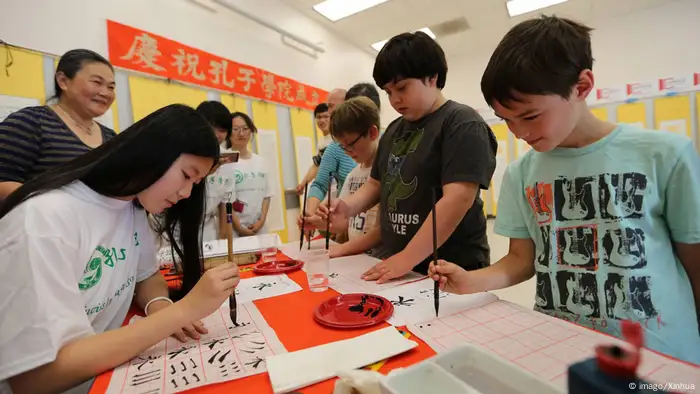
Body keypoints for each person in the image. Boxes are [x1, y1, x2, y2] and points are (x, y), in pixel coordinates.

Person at [430, 15, 700, 365]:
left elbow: (694, 262)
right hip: (561, 344)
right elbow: (520, 260)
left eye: (529, 116)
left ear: (582, 86)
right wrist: (471, 281)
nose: (518, 132)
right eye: (507, 120)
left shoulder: (665, 155)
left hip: (658, 352)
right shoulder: (521, 173)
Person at [0, 104, 240, 394]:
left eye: (197, 182)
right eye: (187, 175)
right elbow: (37, 379)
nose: (187, 193)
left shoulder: (131, 207)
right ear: (153, 152)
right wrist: (182, 312)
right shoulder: (44, 220)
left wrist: (159, 305)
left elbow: (147, 275)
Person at [320, 31, 498, 284]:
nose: (395, 100)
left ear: (433, 77)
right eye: (388, 91)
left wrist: (406, 257)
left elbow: (457, 199)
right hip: (401, 264)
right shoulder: (394, 130)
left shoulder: (461, 123)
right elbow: (376, 185)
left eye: (402, 88)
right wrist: (347, 207)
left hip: (451, 265)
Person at [0, 49, 117, 201]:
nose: (105, 93)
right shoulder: (30, 122)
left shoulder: (112, 137)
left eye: (111, 87)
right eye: (97, 82)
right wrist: (62, 206)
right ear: (63, 81)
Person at [300, 96, 382, 258]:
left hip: (378, 259)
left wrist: (343, 249)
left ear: (372, 133)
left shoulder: (384, 174)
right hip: (357, 259)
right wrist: (315, 221)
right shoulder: (353, 175)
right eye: (342, 147)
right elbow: (345, 223)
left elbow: (383, 230)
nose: (347, 151)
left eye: (350, 144)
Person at [303, 89, 357, 219]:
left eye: (331, 106)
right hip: (343, 217)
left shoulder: (382, 142)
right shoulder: (333, 147)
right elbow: (320, 182)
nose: (329, 112)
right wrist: (309, 214)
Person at [222, 112, 272, 237]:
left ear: (251, 131)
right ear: (228, 133)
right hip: (234, 230)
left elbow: (267, 195)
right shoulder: (224, 160)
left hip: (260, 228)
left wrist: (261, 221)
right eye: (236, 129)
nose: (241, 133)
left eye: (245, 129)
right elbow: (224, 198)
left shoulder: (260, 161)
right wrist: (238, 227)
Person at [196, 101, 236, 241]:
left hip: (208, 231)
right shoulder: (185, 155)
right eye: (211, 127)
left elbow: (226, 204)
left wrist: (223, 238)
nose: (216, 134)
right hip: (177, 229)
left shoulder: (226, 159)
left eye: (222, 130)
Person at [295, 103, 331, 194]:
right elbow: (317, 165)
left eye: (326, 116)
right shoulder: (321, 142)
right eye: (319, 117)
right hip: (325, 189)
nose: (322, 120)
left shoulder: (339, 138)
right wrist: (303, 184)